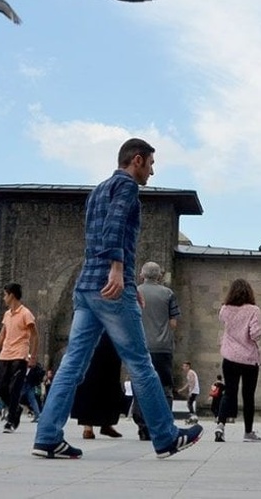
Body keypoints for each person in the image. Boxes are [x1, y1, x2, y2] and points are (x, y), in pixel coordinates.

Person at [32, 138, 202, 460]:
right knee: (141, 364)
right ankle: (166, 437)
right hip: (110, 290)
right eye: (151, 164)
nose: (152, 171)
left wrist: (127, 280)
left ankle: (47, 437)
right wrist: (117, 271)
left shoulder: (98, 190)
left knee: (71, 366)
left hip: (86, 288)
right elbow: (115, 228)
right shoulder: (126, 187)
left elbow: (94, 237)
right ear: (136, 160)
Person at [215, 278, 261, 443]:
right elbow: (255, 334)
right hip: (249, 359)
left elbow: (225, 322)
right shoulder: (254, 310)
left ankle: (220, 426)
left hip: (229, 357)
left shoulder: (225, 310)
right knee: (248, 395)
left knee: (229, 392)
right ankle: (248, 432)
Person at [0, 282, 38, 434]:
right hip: (5, 355)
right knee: (1, 387)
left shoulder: (26, 313)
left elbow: (35, 336)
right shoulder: (7, 314)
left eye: (5, 295)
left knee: (14, 389)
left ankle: (10, 421)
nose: (3, 298)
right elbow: (2, 335)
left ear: (12, 295)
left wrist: (33, 356)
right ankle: (16, 409)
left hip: (20, 356)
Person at [137, 261, 180, 403]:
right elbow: (173, 323)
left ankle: (142, 422)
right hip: (162, 347)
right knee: (165, 386)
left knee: (141, 384)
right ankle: (166, 420)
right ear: (159, 276)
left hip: (140, 346)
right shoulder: (168, 293)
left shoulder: (135, 292)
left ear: (142, 275)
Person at [71, 331, 124, 440]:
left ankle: (106, 423)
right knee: (89, 381)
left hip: (111, 340)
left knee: (109, 382)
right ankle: (88, 427)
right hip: (93, 339)